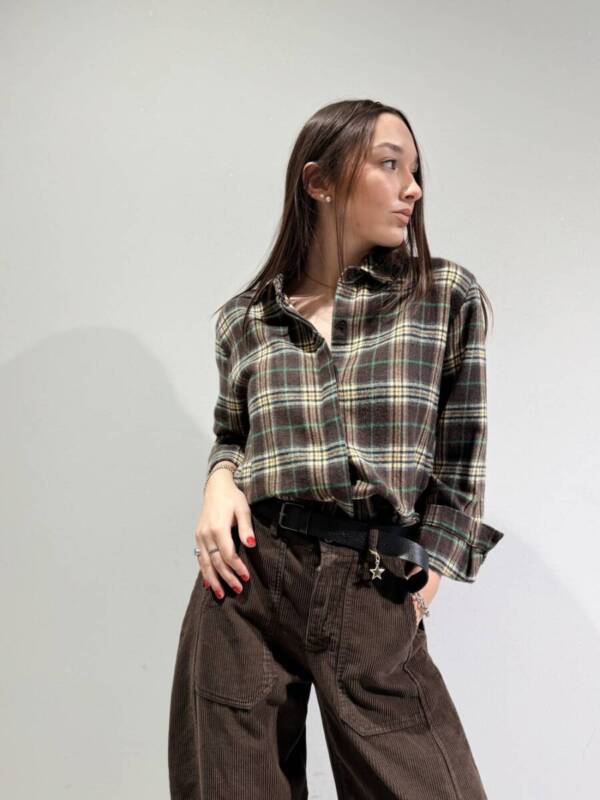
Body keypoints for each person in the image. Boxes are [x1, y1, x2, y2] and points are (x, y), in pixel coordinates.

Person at [168, 99, 505, 799]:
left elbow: (462, 455)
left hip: (373, 578)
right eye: (390, 165)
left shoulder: (442, 296)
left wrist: (423, 583)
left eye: (416, 171)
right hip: (244, 584)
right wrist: (219, 481)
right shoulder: (247, 319)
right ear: (319, 181)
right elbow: (233, 435)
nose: (413, 188)